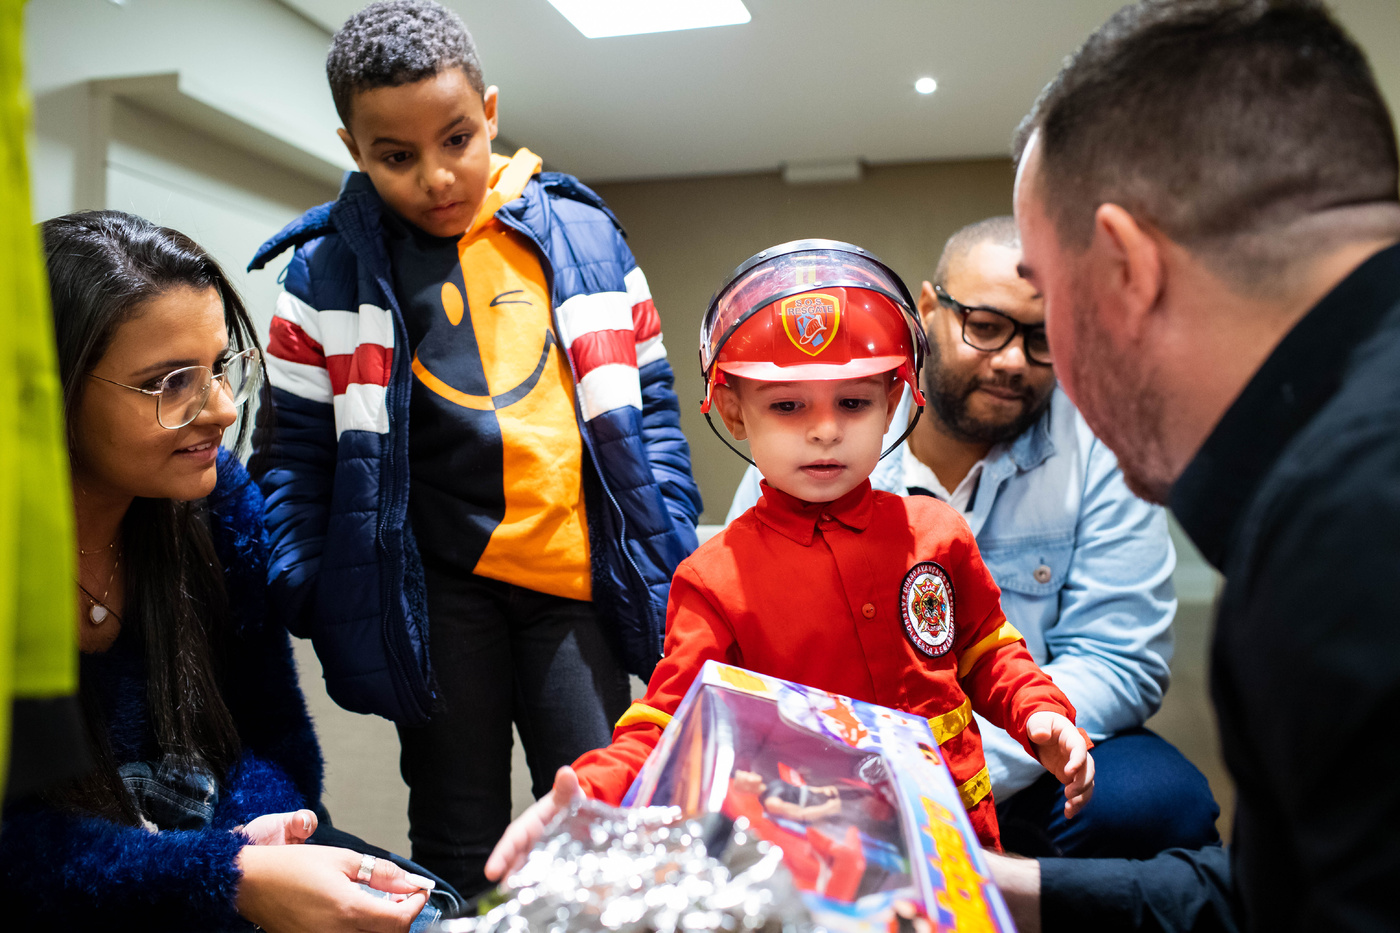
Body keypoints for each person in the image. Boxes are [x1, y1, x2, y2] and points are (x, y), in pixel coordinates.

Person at [248, 0, 702, 898]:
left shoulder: (586, 235)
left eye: (456, 138)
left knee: (598, 827)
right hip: (434, 598)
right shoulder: (324, 270)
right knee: (457, 839)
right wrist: (311, 583)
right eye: (396, 156)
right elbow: (292, 453)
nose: (436, 176)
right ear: (353, 149)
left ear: (490, 113)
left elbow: (650, 406)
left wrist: (671, 533)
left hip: (573, 584)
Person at [486, 240, 1095, 879]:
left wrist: (1040, 711)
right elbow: (669, 720)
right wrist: (594, 788)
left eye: (853, 403)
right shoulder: (713, 578)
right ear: (733, 411)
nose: (825, 429)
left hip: (960, 842)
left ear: (892, 403)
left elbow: (987, 650)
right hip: (813, 861)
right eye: (787, 405)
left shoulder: (937, 532)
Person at [991, 0, 1400, 930]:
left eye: (1048, 302)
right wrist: (987, 883)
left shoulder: (1348, 519)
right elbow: (1275, 897)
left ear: (1127, 268)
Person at [0, 210, 441, 932]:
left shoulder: (216, 503)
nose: (221, 409)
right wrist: (224, 873)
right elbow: (18, 853)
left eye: (217, 367)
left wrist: (254, 841)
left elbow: (271, 740)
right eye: (169, 382)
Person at [730, 216, 1219, 859]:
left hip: (1029, 751)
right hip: (842, 765)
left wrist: (950, 765)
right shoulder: (822, 445)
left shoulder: (1101, 444)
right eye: (985, 327)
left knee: (1158, 803)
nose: (1013, 361)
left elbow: (1117, 657)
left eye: (1042, 338)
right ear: (929, 311)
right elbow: (742, 660)